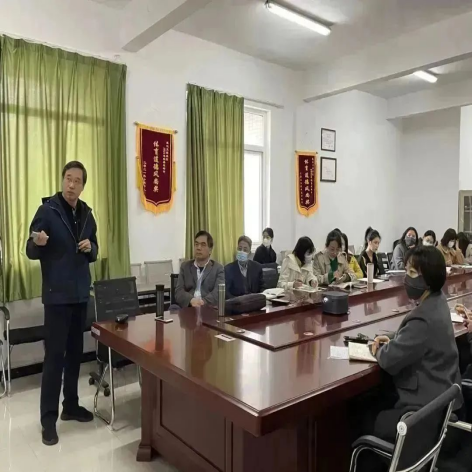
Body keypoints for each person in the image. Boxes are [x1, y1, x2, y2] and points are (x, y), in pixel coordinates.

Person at [26, 162, 98, 447]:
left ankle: (71, 405)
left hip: (80, 296)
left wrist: (91, 248)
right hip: (57, 297)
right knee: (54, 358)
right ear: (62, 180)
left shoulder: (87, 214)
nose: (71, 185)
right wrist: (39, 243)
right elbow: (30, 248)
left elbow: (94, 249)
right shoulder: (48, 211)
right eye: (68, 179)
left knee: (75, 355)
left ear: (83, 186)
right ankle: (48, 420)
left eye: (77, 181)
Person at [370, 246, 462, 441]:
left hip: (422, 414)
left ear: (427, 279)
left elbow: (388, 359)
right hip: (441, 401)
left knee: (366, 416)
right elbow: (419, 338)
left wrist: (378, 348)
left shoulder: (422, 319)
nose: (406, 278)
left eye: (412, 272)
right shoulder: (439, 301)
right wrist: (396, 337)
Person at [175, 231, 225, 308]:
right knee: (173, 308)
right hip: (188, 307)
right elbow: (178, 292)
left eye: (203, 245)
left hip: (207, 308)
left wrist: (202, 302)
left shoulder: (218, 268)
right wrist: (191, 300)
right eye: (196, 244)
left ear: (210, 250)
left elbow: (218, 293)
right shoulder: (185, 267)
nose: (198, 248)